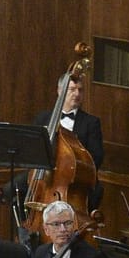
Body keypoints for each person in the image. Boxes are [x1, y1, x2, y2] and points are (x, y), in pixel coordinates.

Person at [33, 73, 105, 216]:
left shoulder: (91, 122)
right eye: (72, 89)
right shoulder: (43, 118)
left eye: (80, 90)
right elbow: (33, 148)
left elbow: (97, 157)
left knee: (94, 192)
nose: (77, 94)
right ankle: (24, 226)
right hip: (45, 175)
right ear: (60, 91)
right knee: (13, 189)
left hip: (75, 179)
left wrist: (73, 168)